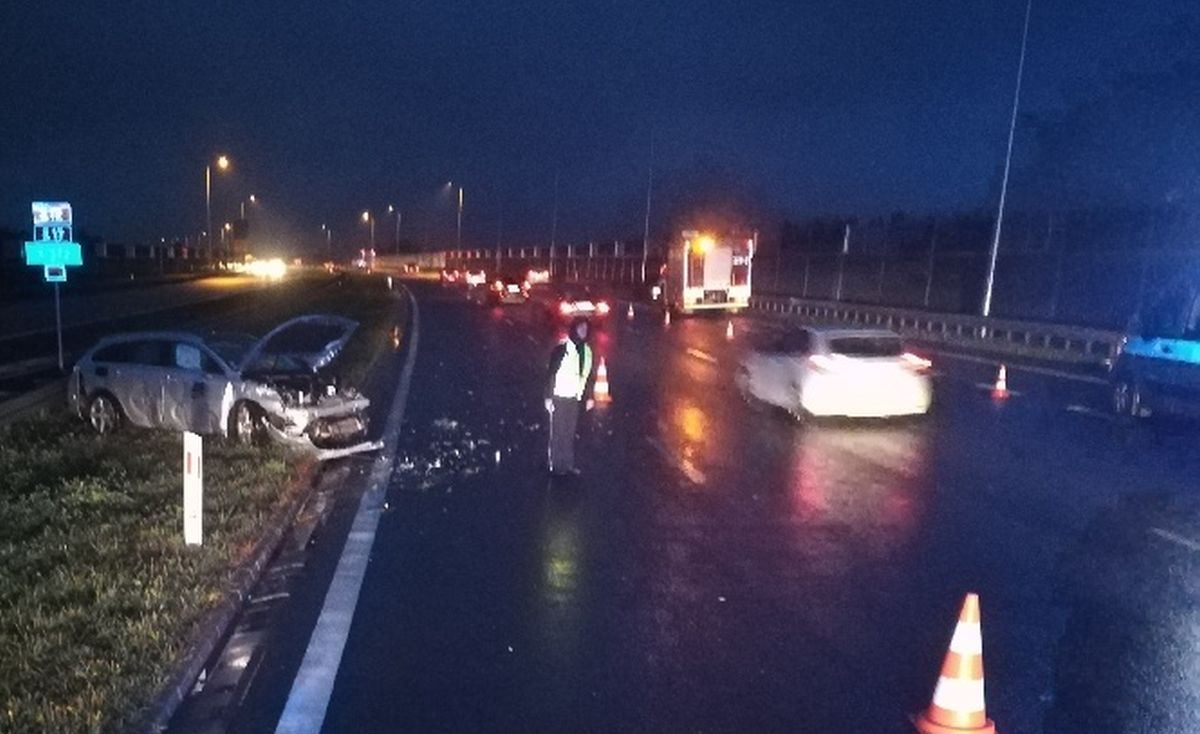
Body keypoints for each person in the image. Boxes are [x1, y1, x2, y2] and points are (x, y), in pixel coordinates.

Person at [545, 316, 596, 476]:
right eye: (580, 328)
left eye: (586, 329)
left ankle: (567, 464)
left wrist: (589, 396)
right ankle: (555, 465)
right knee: (558, 432)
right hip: (559, 396)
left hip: (574, 398)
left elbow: (587, 376)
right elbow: (550, 373)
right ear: (574, 329)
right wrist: (548, 396)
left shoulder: (587, 351)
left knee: (569, 432)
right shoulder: (562, 348)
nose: (583, 331)